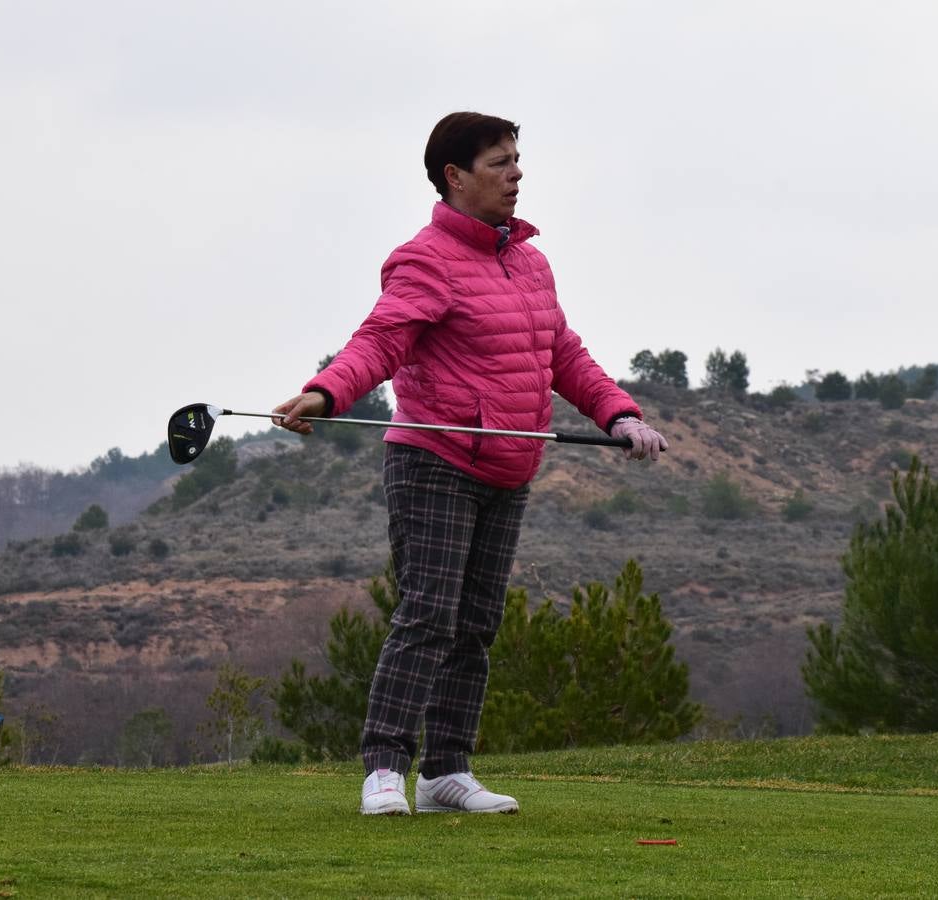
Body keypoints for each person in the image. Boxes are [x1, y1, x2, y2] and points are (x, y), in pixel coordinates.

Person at [272, 112, 667, 816]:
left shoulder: (530, 261)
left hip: (509, 468)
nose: (516, 174)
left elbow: (562, 355)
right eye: (498, 163)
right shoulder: (424, 258)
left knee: (478, 624)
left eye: (518, 160)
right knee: (428, 614)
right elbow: (382, 341)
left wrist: (620, 413)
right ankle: (385, 769)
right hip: (435, 460)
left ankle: (446, 772)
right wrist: (327, 392)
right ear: (454, 176)